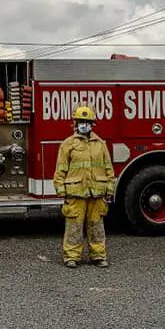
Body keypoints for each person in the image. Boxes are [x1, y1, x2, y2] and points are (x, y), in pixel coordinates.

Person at [52, 105, 115, 268]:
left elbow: (108, 168)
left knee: (96, 226)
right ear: (75, 123)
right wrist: (60, 189)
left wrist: (110, 189)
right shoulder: (68, 144)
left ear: (92, 124)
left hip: (97, 193)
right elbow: (61, 168)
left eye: (87, 122)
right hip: (75, 193)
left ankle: (99, 255)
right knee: (74, 227)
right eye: (81, 121)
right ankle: (71, 256)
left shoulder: (100, 144)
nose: (84, 125)